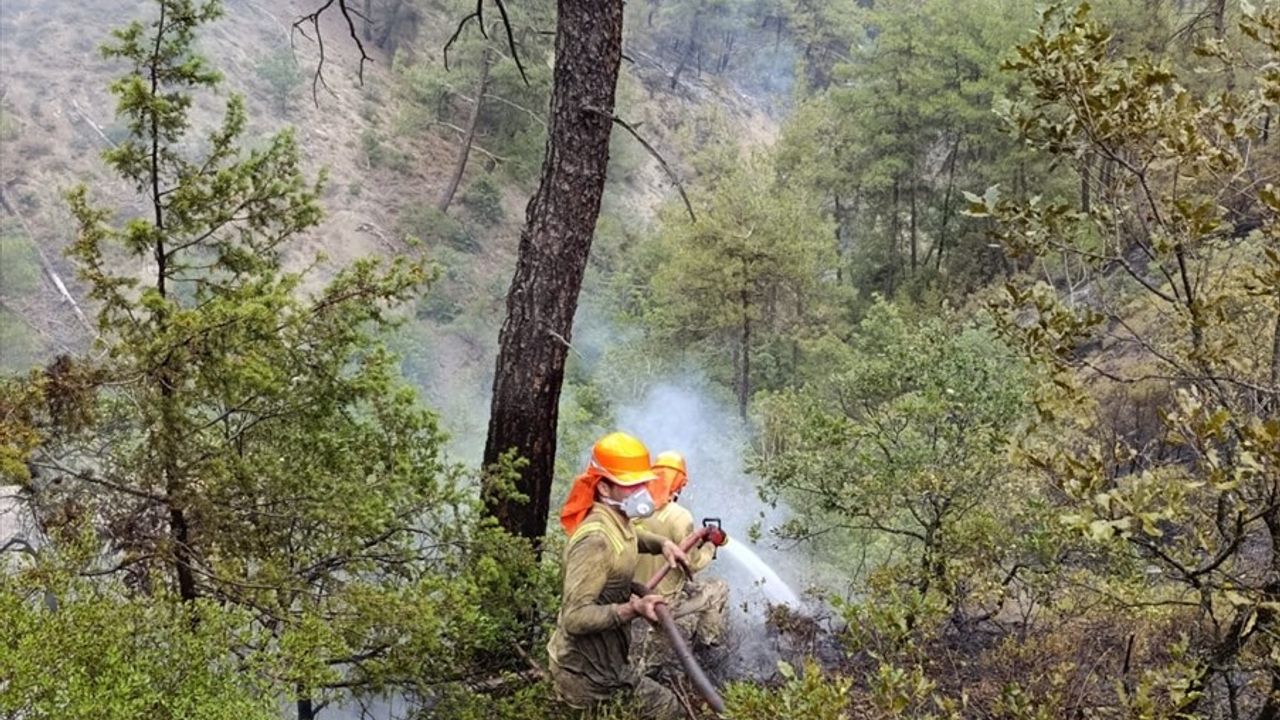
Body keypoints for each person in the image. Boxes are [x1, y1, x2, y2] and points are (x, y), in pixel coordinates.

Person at [547, 432, 690, 720]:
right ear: (603, 488)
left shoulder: (618, 520)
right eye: (630, 485)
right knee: (668, 709)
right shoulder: (596, 540)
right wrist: (634, 608)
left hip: (608, 665)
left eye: (643, 483)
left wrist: (662, 544)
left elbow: (631, 537)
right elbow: (575, 618)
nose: (642, 492)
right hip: (585, 676)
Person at [632, 451, 730, 674]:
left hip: (631, 591)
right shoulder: (680, 516)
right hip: (660, 600)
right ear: (680, 483)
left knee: (688, 587)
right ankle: (706, 647)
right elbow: (692, 564)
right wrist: (710, 545)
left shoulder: (636, 507)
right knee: (718, 589)